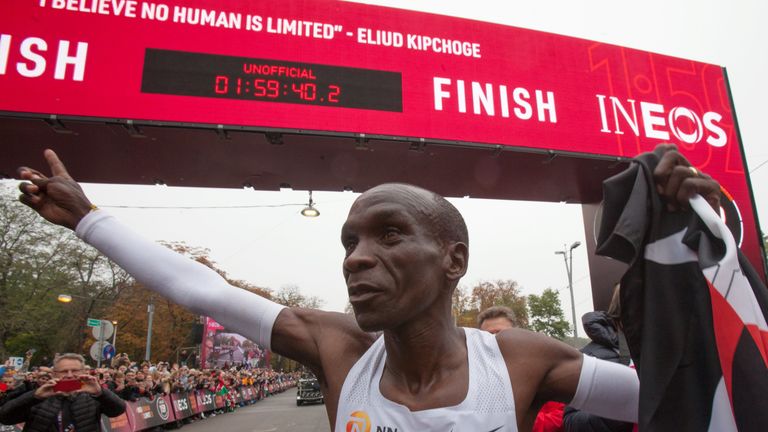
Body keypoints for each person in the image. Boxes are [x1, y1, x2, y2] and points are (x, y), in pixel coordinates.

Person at [16, 146, 720, 431]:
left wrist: (703, 249)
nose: (357, 258)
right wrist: (89, 219)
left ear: (453, 259)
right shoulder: (337, 348)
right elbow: (205, 291)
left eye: (388, 235)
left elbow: (690, 395)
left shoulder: (522, 362)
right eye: (349, 241)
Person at [0, 353, 125, 432]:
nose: (69, 375)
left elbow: (118, 410)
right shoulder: (39, 395)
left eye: (75, 370)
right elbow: (5, 417)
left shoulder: (92, 395)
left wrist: (101, 393)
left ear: (83, 372)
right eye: (64, 371)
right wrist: (34, 396)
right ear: (54, 374)